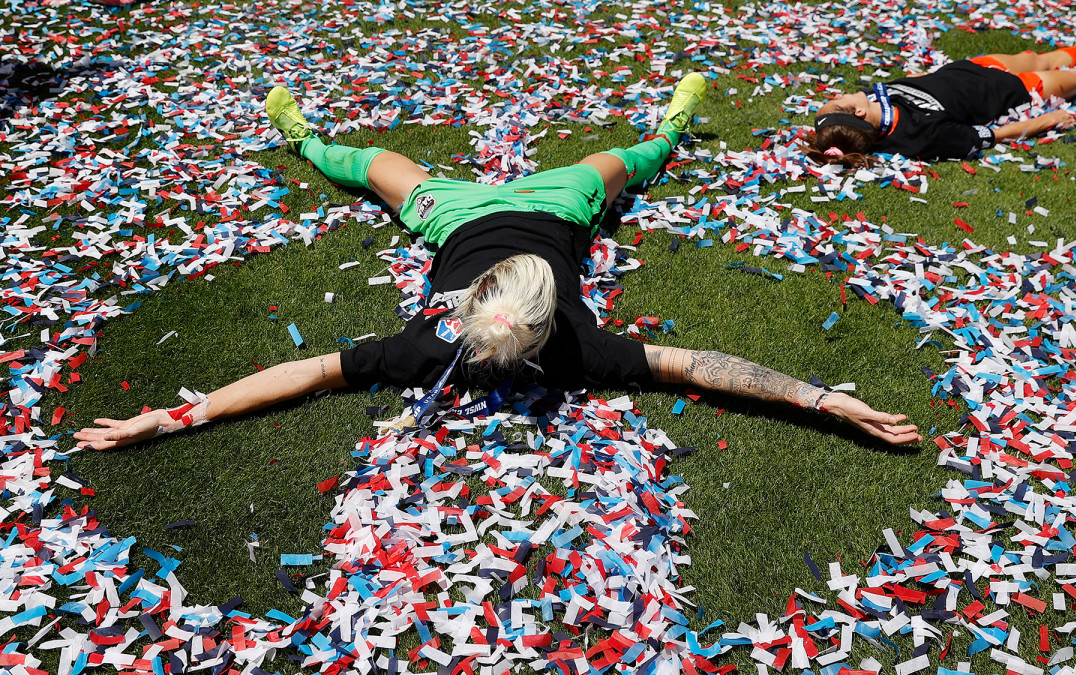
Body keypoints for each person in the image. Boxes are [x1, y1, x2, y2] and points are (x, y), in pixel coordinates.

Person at [74, 72, 923, 451]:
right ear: (550, 304)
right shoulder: (575, 351)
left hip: (455, 214)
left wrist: (174, 417)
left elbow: (304, 370)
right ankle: (668, 128)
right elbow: (700, 364)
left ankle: (308, 141)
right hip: (557, 205)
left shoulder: (432, 347)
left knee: (372, 163)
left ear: (472, 296)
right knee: (623, 163)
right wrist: (823, 397)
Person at [805, 11, 1076, 165]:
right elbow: (994, 134)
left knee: (1039, 55)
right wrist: (1045, 120)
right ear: (856, 113)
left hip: (974, 69)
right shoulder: (921, 139)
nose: (843, 92)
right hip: (1013, 91)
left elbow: (917, 84)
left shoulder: (875, 98)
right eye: (838, 98)